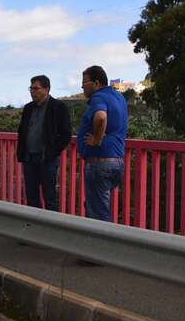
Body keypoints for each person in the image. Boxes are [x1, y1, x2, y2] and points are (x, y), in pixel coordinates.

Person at [76, 65, 128, 222]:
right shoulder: (119, 97)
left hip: (100, 163)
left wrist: (96, 140)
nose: (82, 86)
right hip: (117, 162)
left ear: (96, 83)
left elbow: (100, 117)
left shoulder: (98, 97)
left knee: (99, 215)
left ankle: (104, 245)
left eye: (84, 83)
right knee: (99, 206)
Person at [16, 75, 71, 211]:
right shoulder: (28, 108)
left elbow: (66, 135)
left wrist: (53, 152)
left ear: (46, 89)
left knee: (50, 197)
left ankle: (52, 229)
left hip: (47, 159)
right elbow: (22, 131)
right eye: (31, 88)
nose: (32, 91)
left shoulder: (58, 107)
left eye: (36, 88)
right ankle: (34, 227)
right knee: (31, 196)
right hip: (29, 158)